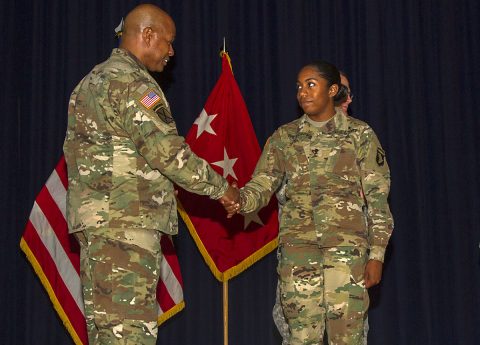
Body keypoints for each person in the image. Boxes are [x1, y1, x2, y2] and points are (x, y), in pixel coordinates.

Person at [63, 4, 238, 344]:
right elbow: (168, 153)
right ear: (147, 35)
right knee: (130, 335)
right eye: (168, 42)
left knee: (106, 335)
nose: (172, 51)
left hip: (98, 225)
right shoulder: (133, 83)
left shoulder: (90, 81)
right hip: (126, 227)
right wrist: (223, 190)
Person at [224, 60, 393, 344]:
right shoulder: (283, 137)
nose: (303, 92)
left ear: (333, 90)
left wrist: (376, 256)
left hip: (346, 254)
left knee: (347, 338)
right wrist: (240, 200)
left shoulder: (360, 135)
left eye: (311, 84)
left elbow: (378, 199)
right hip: (298, 253)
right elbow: (263, 184)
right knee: (301, 338)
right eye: (299, 87)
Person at [272, 70, 361, 345]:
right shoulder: (290, 138)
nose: (340, 100)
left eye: (344, 94)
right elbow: (271, 188)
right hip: (302, 258)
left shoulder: (360, 137)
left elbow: (378, 200)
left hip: (346, 261)